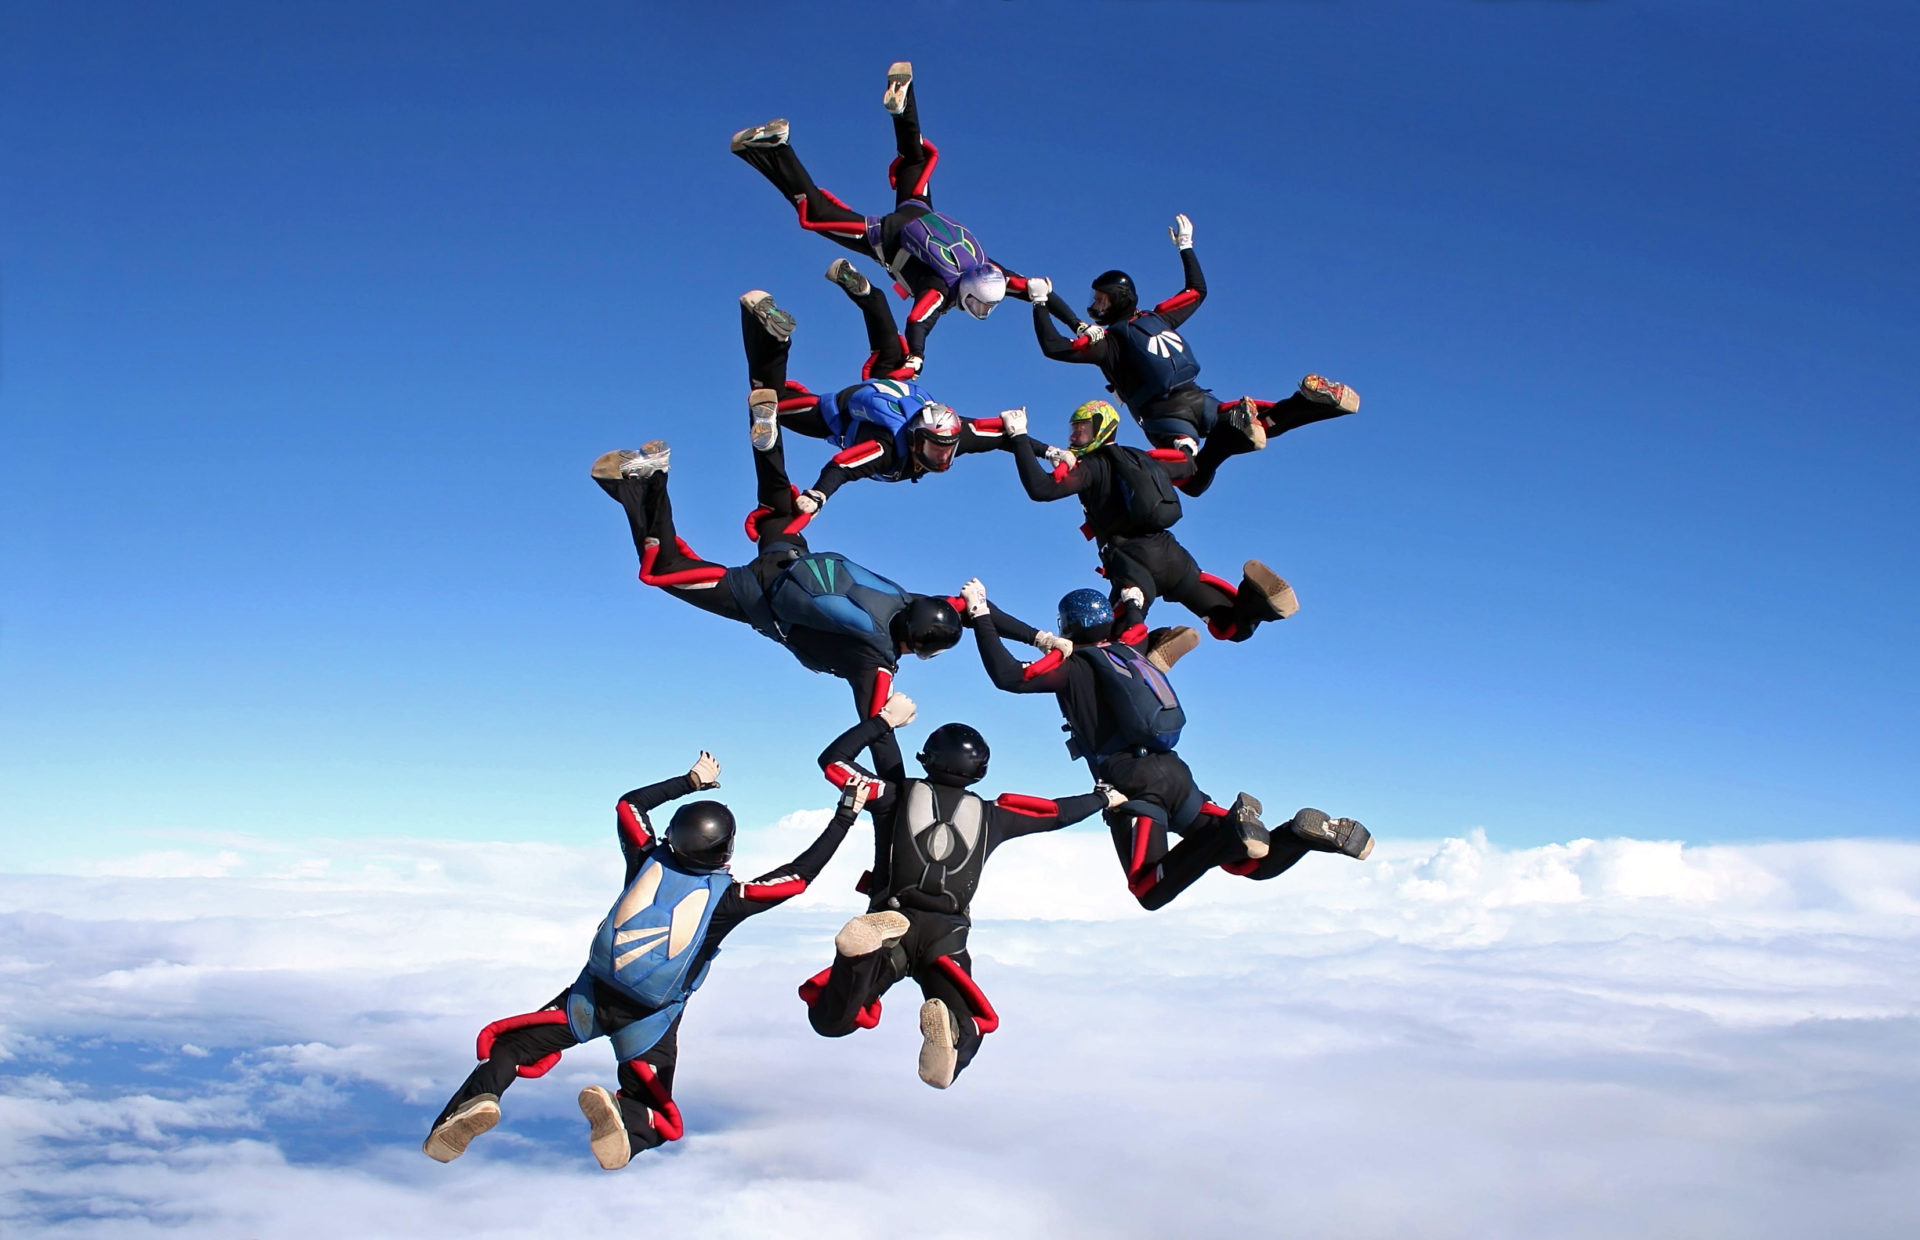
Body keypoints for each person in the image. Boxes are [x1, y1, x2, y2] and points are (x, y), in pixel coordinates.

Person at [422, 751, 866, 1168]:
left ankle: (475, 1102)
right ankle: (629, 1126)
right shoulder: (728, 900)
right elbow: (797, 876)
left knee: (512, 1048)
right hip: (650, 1021)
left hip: (589, 997)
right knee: (651, 1102)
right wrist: (845, 815)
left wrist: (692, 781)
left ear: (675, 834)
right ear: (725, 850)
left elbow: (629, 805)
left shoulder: (645, 860)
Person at [590, 440, 1067, 772]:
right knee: (663, 568)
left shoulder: (912, 601)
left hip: (790, 554)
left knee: (777, 508)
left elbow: (972, 608)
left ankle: (763, 442)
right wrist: (898, 784)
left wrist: (1041, 637)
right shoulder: (876, 663)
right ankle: (654, 479)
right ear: (921, 648)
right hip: (755, 595)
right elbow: (879, 738)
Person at [966, 581, 1374, 910]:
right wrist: (1132, 599)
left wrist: (981, 617)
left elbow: (1009, 676)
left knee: (1149, 888)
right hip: (1175, 771)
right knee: (1251, 863)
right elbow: (1134, 618)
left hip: (1131, 784)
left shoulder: (1071, 669)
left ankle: (1229, 833)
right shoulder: (1129, 650)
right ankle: (1299, 834)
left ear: (1066, 626)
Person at [799, 691, 1119, 1087]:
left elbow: (833, 762)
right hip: (946, 936)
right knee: (969, 1026)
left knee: (831, 1020)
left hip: (892, 920)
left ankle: (858, 957)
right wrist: (1103, 798)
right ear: (980, 772)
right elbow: (1056, 813)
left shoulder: (894, 795)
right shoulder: (995, 816)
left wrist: (883, 722)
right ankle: (951, 1032)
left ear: (926, 758)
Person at [730, 60, 1078, 366]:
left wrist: (1078, 323)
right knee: (817, 213)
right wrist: (916, 356)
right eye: (981, 305)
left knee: (914, 159)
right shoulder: (942, 289)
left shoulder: (990, 270)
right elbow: (918, 320)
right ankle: (778, 148)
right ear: (970, 291)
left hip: (918, 210)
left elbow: (1035, 288)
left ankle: (904, 102)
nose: (983, 310)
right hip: (886, 236)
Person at [1025, 212, 1362, 496]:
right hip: (1200, 399)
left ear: (1117, 300)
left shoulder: (1109, 342)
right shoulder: (1157, 318)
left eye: (1101, 300)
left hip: (1164, 415)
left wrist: (1039, 304)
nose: (1095, 306)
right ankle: (1307, 401)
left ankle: (1227, 436)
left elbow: (1054, 347)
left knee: (1191, 479)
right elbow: (1196, 291)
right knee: (1264, 424)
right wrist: (1186, 247)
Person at [999, 399, 1298, 641]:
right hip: (1171, 554)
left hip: (1132, 561)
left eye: (1081, 430)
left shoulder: (1093, 466)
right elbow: (1187, 468)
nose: (1073, 437)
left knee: (1110, 639)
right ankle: (1257, 602)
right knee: (1231, 627)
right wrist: (1187, 445)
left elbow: (1041, 489)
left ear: (1102, 428)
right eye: (1074, 430)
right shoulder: (1141, 458)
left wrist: (1019, 436)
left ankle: (1150, 649)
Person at [738, 279, 1012, 517]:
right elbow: (843, 465)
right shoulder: (887, 449)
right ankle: (777, 343)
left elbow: (996, 434)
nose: (939, 459)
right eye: (933, 450)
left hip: (890, 382)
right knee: (767, 398)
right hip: (838, 414)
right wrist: (818, 495)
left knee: (890, 352)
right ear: (915, 439)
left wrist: (1030, 440)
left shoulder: (950, 435)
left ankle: (869, 293)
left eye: (946, 452)